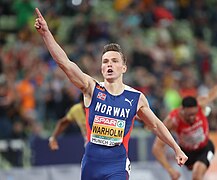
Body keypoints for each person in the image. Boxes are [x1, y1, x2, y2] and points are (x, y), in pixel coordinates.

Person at [34, 8, 187, 180]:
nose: (109, 65)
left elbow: (156, 125)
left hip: (117, 166)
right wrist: (46, 34)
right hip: (91, 164)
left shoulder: (135, 98)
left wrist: (176, 148)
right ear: (101, 67)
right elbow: (65, 63)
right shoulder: (91, 88)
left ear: (124, 68)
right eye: (105, 61)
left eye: (115, 61)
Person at [152, 85, 217, 180]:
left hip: (205, 148)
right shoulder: (172, 120)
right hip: (186, 153)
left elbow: (213, 92)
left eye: (194, 114)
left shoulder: (201, 104)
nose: (192, 118)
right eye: (189, 115)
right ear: (182, 110)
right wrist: (170, 170)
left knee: (197, 175)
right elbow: (157, 148)